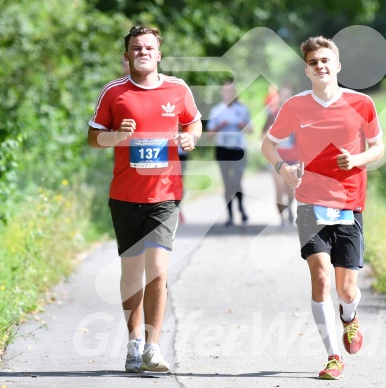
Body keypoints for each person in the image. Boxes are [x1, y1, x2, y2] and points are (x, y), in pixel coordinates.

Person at [261, 36, 385, 380]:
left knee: (347, 289)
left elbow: (377, 147)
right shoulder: (295, 106)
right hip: (310, 202)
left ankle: (350, 316)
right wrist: (282, 168)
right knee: (320, 278)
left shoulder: (361, 103)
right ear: (307, 70)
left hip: (349, 201)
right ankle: (333, 356)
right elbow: (268, 145)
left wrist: (356, 158)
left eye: (326, 60)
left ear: (338, 65)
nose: (320, 66)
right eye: (314, 62)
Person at [87, 26, 202, 373]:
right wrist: (117, 137)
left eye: (149, 47)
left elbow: (193, 124)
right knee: (131, 271)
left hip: (165, 195)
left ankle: (153, 347)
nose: (143, 52)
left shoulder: (178, 88)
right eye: (136, 48)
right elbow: (94, 139)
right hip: (125, 195)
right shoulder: (114, 92)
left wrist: (189, 139)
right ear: (126, 56)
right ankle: (134, 343)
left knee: (158, 269)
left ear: (159, 54)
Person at [207, 81, 253, 226]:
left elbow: (251, 130)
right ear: (222, 93)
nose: (229, 94)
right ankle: (230, 214)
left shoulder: (242, 109)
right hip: (222, 150)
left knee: (237, 181)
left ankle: (241, 207)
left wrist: (242, 125)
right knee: (227, 183)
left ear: (235, 93)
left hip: (239, 150)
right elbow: (209, 135)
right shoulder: (216, 111)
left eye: (231, 91)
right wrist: (221, 125)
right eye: (226, 91)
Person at [262, 85, 298, 226]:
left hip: (292, 158)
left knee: (290, 191)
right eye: (283, 96)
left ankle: (289, 209)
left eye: (288, 96)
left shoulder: (298, 114)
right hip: (275, 158)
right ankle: (281, 218)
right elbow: (262, 134)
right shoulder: (272, 114)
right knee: (279, 188)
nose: (285, 99)